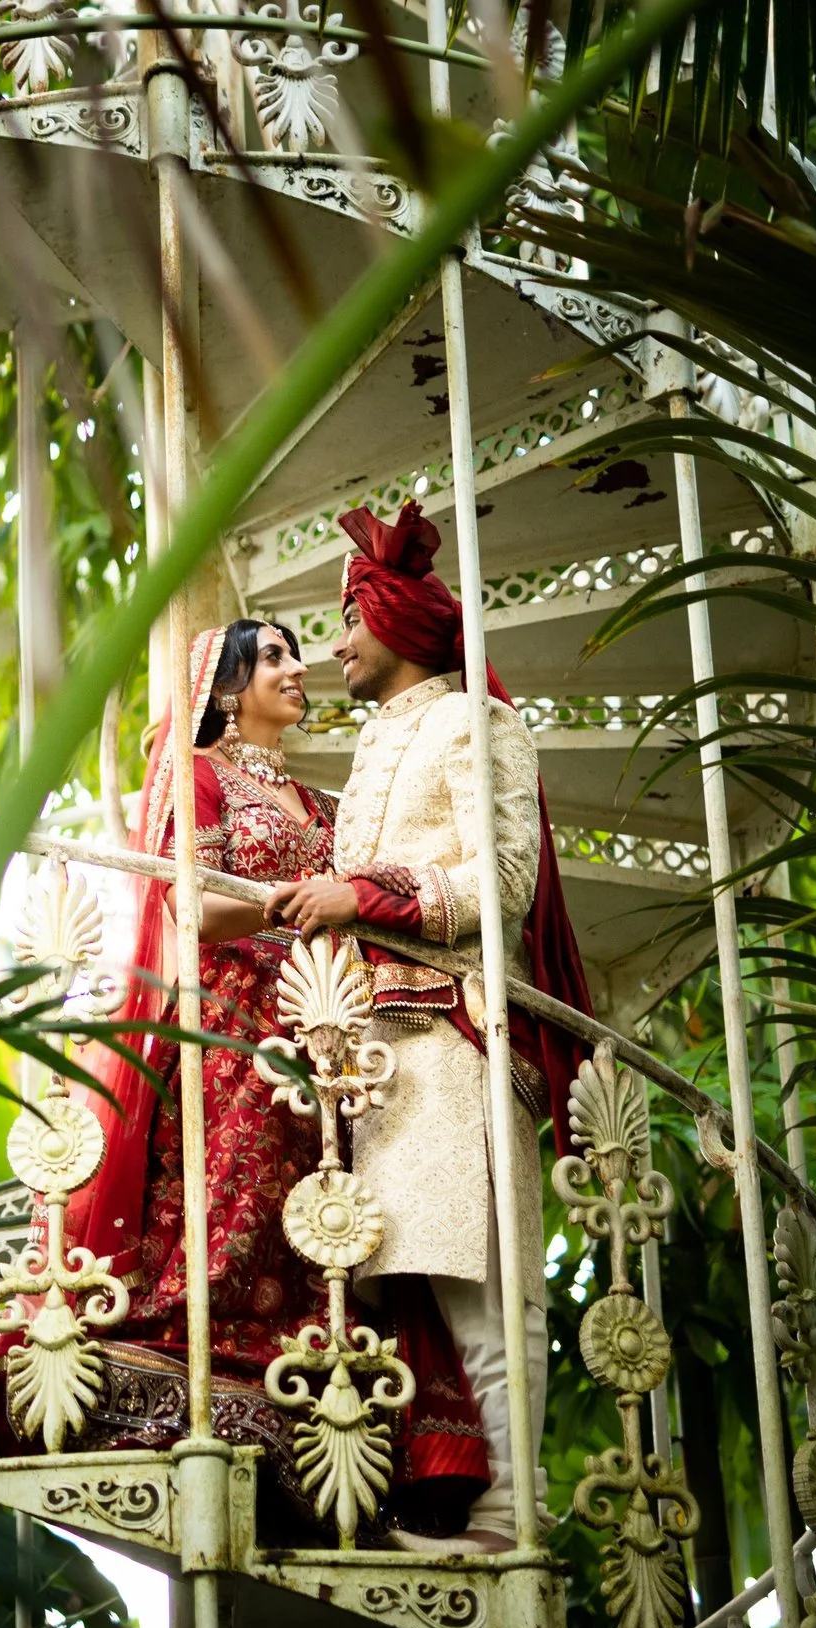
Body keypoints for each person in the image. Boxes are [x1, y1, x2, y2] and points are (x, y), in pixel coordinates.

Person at [56, 617, 492, 1533]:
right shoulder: (199, 771)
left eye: (300, 653)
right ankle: (216, 1371)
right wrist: (292, 913)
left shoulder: (323, 803)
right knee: (244, 1200)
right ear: (224, 688)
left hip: (321, 1023)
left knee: (331, 1217)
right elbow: (189, 903)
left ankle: (320, 1380)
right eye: (275, 659)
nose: (299, 670)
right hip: (233, 1023)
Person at [266, 500, 596, 1552]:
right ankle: (441, 1499)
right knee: (397, 1280)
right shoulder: (373, 745)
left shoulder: (471, 721)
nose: (335, 644)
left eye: (350, 619)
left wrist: (360, 895)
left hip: (459, 1034)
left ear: (400, 623)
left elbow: (502, 879)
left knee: (480, 1282)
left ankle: (511, 1514)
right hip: (376, 1056)